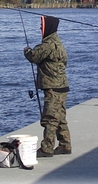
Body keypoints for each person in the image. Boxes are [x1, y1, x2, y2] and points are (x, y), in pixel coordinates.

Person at [23, 15, 71, 158]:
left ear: (48, 26)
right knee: (60, 117)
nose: (40, 27)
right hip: (61, 85)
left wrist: (26, 50)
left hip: (53, 87)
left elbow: (34, 56)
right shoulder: (57, 42)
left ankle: (47, 148)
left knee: (50, 118)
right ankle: (65, 144)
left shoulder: (49, 44)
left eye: (41, 25)